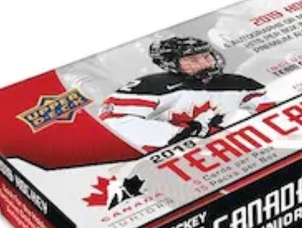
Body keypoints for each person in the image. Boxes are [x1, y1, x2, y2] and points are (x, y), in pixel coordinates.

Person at [99, 36, 275, 153]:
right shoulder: (151, 86)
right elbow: (115, 121)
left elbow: (268, 108)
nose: (206, 63)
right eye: (193, 60)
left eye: (207, 56)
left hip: (220, 151)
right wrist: (182, 134)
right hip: (163, 158)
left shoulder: (238, 83)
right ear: (171, 64)